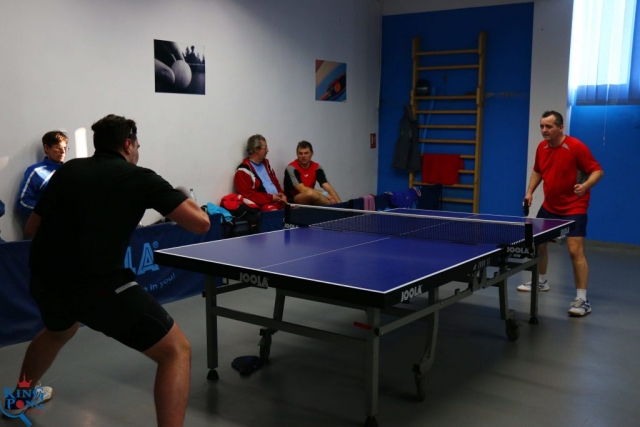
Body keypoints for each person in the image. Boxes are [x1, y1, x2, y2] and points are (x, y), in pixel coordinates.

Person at [3, 114, 210, 426]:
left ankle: (19, 399)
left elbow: (32, 228)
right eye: (137, 146)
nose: (137, 151)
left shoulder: (68, 170)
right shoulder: (140, 178)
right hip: (99, 288)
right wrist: (186, 199)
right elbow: (200, 224)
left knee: (59, 331)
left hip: (46, 280)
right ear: (127, 144)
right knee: (176, 351)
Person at [519, 110, 603, 317]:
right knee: (538, 243)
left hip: (574, 206)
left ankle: (582, 300)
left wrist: (585, 186)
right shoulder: (542, 147)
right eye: (542, 126)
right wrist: (530, 192)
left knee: (575, 251)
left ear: (560, 127)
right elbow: (538, 170)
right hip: (550, 206)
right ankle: (541, 281)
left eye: (548, 126)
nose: (544, 130)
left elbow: (597, 171)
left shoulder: (575, 146)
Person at [16, 131, 68, 218]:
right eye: (58, 148)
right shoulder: (36, 171)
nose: (63, 152)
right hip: (46, 222)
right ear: (47, 148)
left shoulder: (69, 170)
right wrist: (49, 210)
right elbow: (23, 202)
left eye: (65, 148)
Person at [234, 134, 287, 211]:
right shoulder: (242, 171)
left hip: (278, 202)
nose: (267, 150)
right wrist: (271, 198)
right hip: (263, 205)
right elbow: (248, 196)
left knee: (296, 211)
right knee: (274, 213)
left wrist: (282, 195)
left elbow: (276, 183)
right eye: (265, 148)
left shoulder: (267, 165)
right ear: (256, 149)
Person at [283, 141, 341, 205]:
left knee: (325, 196)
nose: (303, 156)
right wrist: (324, 193)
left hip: (313, 196)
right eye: (300, 153)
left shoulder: (317, 167)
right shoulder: (291, 168)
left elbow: (327, 186)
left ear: (312, 153)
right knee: (310, 193)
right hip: (294, 199)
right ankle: (333, 206)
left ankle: (339, 207)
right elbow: (302, 189)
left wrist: (339, 203)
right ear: (297, 154)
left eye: (306, 153)